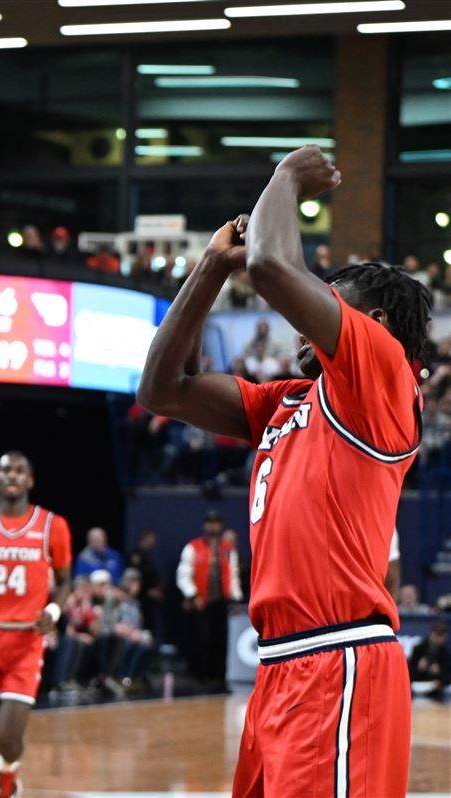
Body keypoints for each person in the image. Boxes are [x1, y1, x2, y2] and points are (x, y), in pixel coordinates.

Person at [139, 145, 429, 798]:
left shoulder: (382, 374)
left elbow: (272, 263)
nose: (300, 327)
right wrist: (212, 267)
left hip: (340, 657)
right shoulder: (288, 403)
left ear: (373, 325)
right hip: (279, 666)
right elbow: (162, 389)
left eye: (323, 305)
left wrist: (288, 175)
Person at [0, 451, 71, 798]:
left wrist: (53, 612)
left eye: (20, 470)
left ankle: (9, 779)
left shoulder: (52, 525)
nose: (12, 475)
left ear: (30, 481)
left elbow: (65, 580)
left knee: (8, 737)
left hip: (25, 641)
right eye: (5, 469)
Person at [176, 510, 243, 688]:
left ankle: (219, 677)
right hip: (201, 600)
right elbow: (183, 575)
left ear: (220, 525)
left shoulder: (228, 549)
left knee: (220, 640)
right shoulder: (193, 547)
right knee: (200, 640)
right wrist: (193, 595)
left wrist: (235, 599)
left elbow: (233, 574)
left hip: (221, 601)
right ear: (204, 525)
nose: (213, 526)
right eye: (210, 522)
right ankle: (200, 677)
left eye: (216, 522)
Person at [408, 620, 449, 696]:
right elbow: (409, 673)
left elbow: (448, 675)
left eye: (441, 635)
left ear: (445, 637)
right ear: (431, 633)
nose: (438, 638)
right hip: (420, 685)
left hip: (437, 686)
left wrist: (438, 672)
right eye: (436, 634)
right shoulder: (418, 649)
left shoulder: (445, 653)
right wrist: (419, 668)